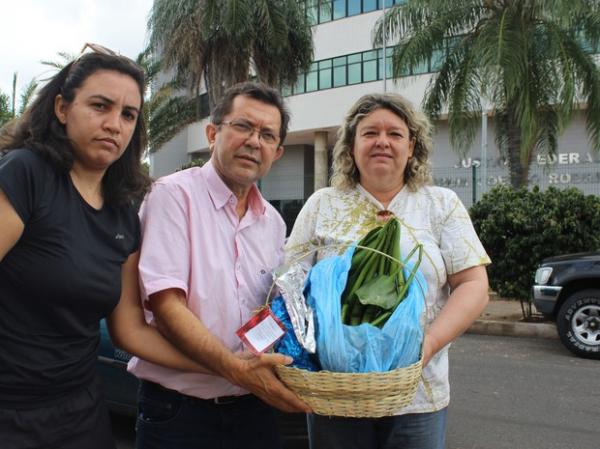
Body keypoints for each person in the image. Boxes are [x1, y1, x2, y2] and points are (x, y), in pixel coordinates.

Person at [0, 45, 211, 449]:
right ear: (62, 108)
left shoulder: (122, 214)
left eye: (128, 114)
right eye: (101, 106)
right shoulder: (26, 174)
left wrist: (224, 367)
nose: (114, 124)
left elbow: (129, 330)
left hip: (80, 413)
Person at [285, 92, 491, 449]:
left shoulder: (440, 205)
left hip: (418, 392)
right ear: (351, 146)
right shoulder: (323, 204)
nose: (383, 141)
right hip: (336, 394)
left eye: (395, 134)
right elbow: (288, 286)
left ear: (411, 147)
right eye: (370, 133)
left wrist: (426, 346)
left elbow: (473, 285)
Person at [128, 81, 311, 449]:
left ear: (277, 152)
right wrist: (238, 370)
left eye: (266, 134)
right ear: (213, 133)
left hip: (254, 410)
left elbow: (273, 310)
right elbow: (166, 306)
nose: (253, 141)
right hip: (180, 413)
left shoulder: (273, 223)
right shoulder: (172, 196)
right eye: (242, 126)